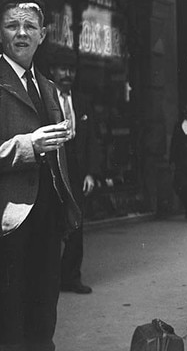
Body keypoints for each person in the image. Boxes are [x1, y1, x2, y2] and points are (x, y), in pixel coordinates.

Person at [0, 0, 81, 350]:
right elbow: (32, 146)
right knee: (10, 319)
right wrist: (27, 146)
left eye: (30, 26)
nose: (21, 33)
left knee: (43, 314)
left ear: (43, 34)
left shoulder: (47, 87)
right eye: (12, 25)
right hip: (9, 221)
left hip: (47, 219)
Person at [50, 55, 101, 295]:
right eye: (62, 68)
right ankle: (49, 281)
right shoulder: (45, 99)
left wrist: (90, 173)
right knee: (50, 226)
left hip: (77, 172)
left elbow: (92, 140)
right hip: (52, 171)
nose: (67, 74)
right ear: (53, 70)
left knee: (76, 225)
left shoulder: (82, 101)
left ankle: (72, 278)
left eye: (71, 69)